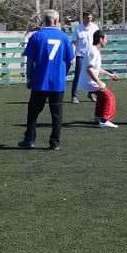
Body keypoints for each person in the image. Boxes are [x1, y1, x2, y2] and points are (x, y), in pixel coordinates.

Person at [19, 9, 75, 151]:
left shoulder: (36, 36)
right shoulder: (64, 37)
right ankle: (54, 143)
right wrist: (63, 75)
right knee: (56, 114)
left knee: (33, 112)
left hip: (40, 81)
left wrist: (29, 77)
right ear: (56, 21)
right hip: (57, 82)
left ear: (44, 21)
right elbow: (70, 60)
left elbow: (30, 60)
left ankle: (29, 140)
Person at [78, 30, 120, 128]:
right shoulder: (93, 51)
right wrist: (99, 82)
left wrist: (109, 74)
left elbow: (96, 68)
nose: (106, 41)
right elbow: (89, 69)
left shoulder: (94, 50)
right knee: (110, 97)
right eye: (105, 39)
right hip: (90, 81)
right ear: (100, 39)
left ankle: (98, 116)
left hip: (89, 80)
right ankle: (105, 120)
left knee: (102, 97)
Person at [71, 12, 99, 104]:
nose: (89, 20)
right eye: (87, 18)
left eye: (90, 18)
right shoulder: (78, 28)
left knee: (92, 74)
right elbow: (73, 43)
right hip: (80, 55)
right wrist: (73, 57)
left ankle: (91, 93)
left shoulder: (95, 27)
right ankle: (74, 96)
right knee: (78, 75)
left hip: (91, 55)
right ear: (83, 18)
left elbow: (98, 42)